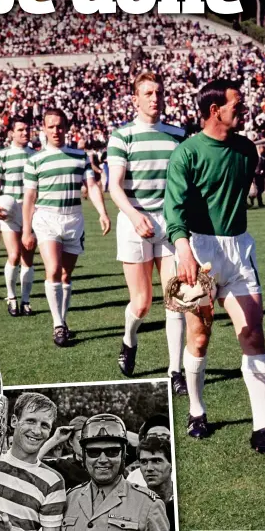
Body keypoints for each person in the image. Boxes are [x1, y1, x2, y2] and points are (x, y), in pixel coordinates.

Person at [164, 79, 265, 452]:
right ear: (214, 110)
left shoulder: (246, 150)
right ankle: (196, 410)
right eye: (237, 104)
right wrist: (183, 248)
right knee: (200, 339)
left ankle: (261, 426)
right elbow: (173, 208)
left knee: (253, 333)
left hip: (239, 249)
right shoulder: (186, 153)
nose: (244, 109)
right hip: (197, 251)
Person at [108, 72, 187, 393]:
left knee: (176, 301)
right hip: (134, 222)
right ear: (135, 99)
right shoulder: (122, 136)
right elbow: (114, 185)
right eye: (148, 93)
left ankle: (175, 371)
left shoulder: (177, 135)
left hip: (170, 224)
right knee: (141, 303)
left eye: (159, 92)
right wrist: (133, 214)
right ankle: (129, 339)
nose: (155, 98)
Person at [23, 108, 111, 347]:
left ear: (66, 127)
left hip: (74, 219)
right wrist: (26, 230)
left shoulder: (79, 156)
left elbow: (91, 186)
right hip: (47, 219)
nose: (56, 130)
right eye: (51, 126)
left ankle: (63, 319)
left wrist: (102, 212)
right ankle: (58, 324)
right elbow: (30, 197)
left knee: (65, 275)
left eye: (59, 126)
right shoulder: (35, 160)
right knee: (52, 269)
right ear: (44, 129)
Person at [63, 414, 169, 531]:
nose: (103, 460)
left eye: (112, 452)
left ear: (123, 455)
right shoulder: (69, 499)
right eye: (93, 452)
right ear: (84, 456)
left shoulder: (148, 504)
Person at [0, 392, 66, 531]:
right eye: (31, 421)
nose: (37, 431)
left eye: (44, 425)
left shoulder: (53, 482)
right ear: (14, 421)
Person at [0, 117, 36, 317]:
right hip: (9, 210)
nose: (25, 133)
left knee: (28, 258)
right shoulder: (2, 155)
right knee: (14, 255)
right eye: (20, 130)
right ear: (11, 133)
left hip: (30, 210)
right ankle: (11, 297)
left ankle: (25, 300)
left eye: (27, 129)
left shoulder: (35, 156)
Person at [37, 415, 89, 489]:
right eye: (79, 439)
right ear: (71, 442)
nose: (84, 443)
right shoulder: (63, 466)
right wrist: (55, 439)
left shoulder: (103, 462)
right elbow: (29, 464)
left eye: (87, 438)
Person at [137, 436, 175, 531]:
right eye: (144, 462)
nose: (149, 468)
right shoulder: (136, 503)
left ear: (171, 464)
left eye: (156, 461)